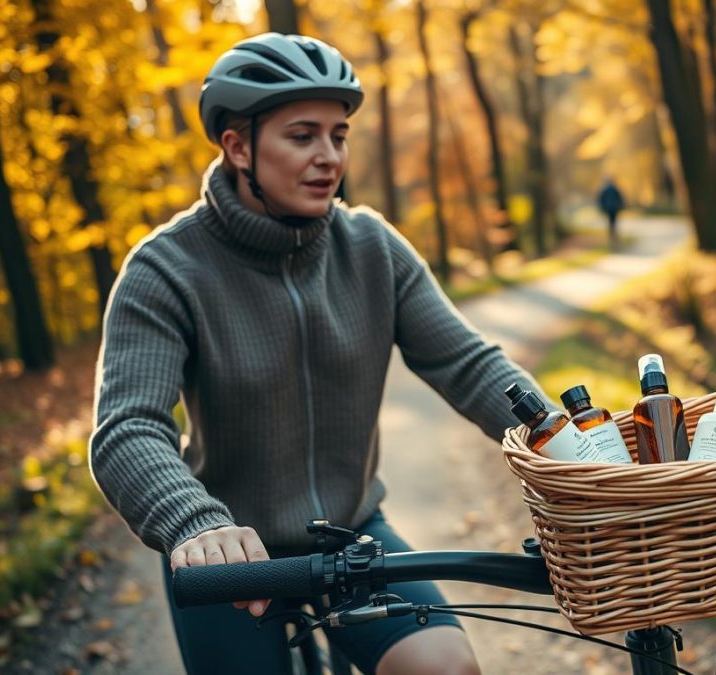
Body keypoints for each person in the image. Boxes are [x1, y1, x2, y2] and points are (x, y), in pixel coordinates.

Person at [89, 33, 552, 675]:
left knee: (445, 667)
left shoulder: (371, 247)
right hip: (226, 555)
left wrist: (569, 441)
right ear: (238, 146)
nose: (329, 157)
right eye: (303, 135)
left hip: (353, 534)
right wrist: (192, 523)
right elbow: (127, 426)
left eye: (339, 135)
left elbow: (468, 365)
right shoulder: (166, 269)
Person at [596, 177, 625, 250]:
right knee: (614, 223)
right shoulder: (615, 189)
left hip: (608, 209)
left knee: (610, 223)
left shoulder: (604, 189)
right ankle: (614, 238)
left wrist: (602, 208)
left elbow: (600, 199)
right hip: (614, 208)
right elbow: (620, 198)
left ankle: (612, 238)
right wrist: (620, 206)